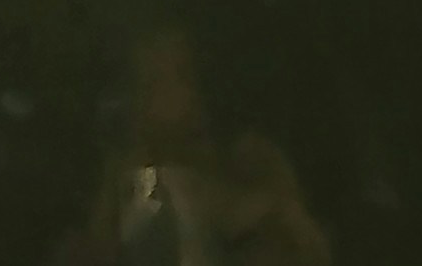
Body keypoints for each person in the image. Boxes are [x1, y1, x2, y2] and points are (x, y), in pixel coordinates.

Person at [53, 22, 332, 266]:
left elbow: (306, 249)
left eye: (181, 74)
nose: (169, 93)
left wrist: (238, 208)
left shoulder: (250, 162)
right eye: (145, 82)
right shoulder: (119, 180)